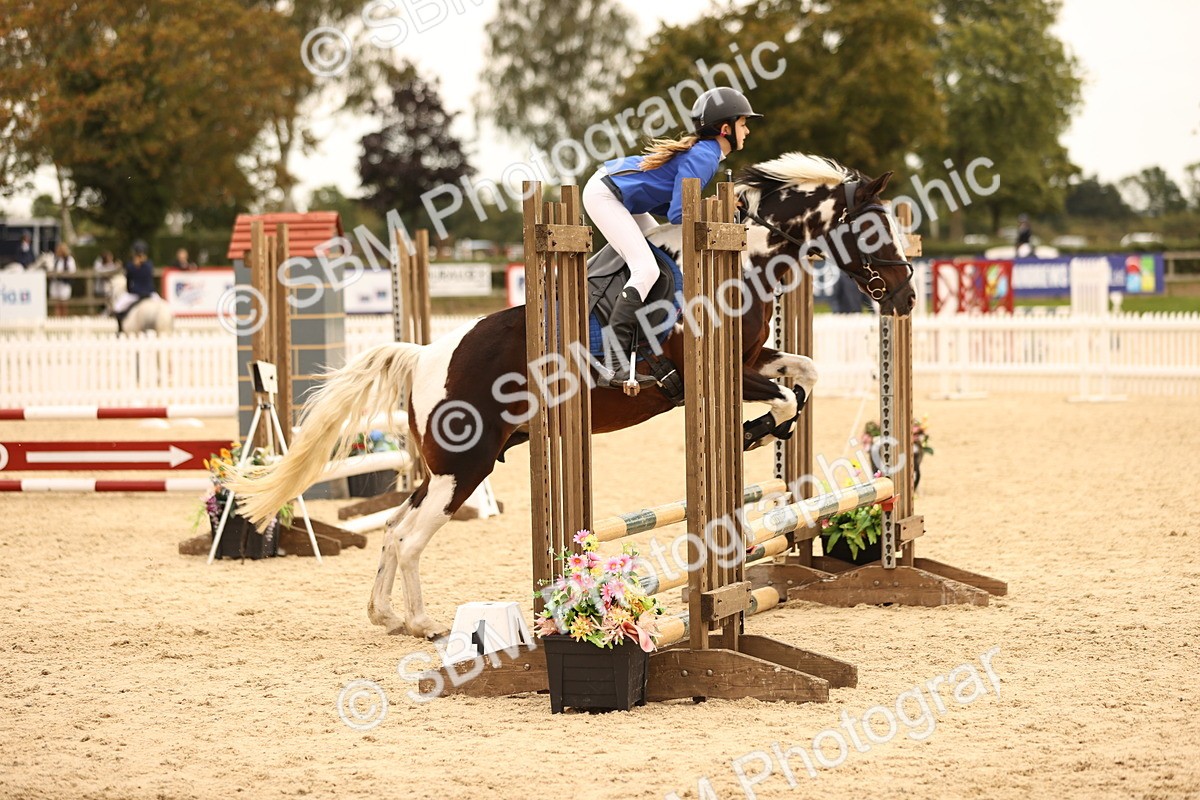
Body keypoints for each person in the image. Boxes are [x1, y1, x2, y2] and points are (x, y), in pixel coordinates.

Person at [582, 86, 762, 387]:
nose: (747, 131)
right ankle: (613, 361)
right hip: (606, 193)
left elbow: (676, 211)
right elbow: (680, 215)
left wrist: (719, 208)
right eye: (744, 124)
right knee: (647, 267)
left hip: (622, 197)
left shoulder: (708, 155)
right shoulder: (705, 157)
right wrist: (717, 208)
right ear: (726, 128)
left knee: (653, 251)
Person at [48, 242, 76, 316]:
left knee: (64, 303)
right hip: (56, 283)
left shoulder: (69, 259)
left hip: (64, 283)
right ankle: (58, 318)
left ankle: (64, 318)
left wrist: (63, 274)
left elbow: (72, 271)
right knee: (56, 303)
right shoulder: (55, 259)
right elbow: (51, 269)